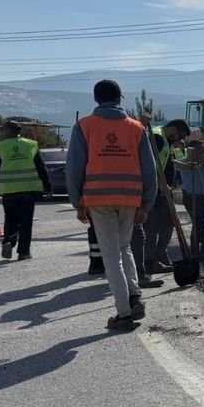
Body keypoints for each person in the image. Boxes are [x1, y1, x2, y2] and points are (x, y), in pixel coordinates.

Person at [66, 79, 157, 331]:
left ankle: (124, 313)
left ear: (96, 99)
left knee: (110, 254)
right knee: (125, 247)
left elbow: (74, 167)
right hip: (130, 198)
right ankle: (135, 296)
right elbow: (150, 172)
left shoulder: (85, 126)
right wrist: (146, 205)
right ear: (120, 99)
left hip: (98, 198)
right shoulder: (136, 128)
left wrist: (78, 202)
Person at [0, 119, 51, 261]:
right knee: (26, 221)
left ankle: (8, 242)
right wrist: (47, 186)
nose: (2, 133)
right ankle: (23, 252)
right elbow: (41, 167)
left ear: (7, 131)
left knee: (10, 218)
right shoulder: (31, 145)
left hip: (9, 190)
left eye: (3, 130)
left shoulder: (0, 147)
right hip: (28, 190)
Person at [142, 116, 188, 273]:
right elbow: (150, 164)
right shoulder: (157, 138)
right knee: (152, 226)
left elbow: (168, 162)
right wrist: (161, 184)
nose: (179, 140)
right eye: (179, 136)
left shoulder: (166, 141)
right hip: (154, 191)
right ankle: (148, 260)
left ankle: (160, 253)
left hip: (165, 191)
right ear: (173, 129)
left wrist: (186, 167)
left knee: (168, 223)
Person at [175, 132, 204, 262]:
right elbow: (175, 164)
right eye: (199, 150)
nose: (201, 152)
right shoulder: (184, 162)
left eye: (202, 150)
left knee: (198, 224)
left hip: (203, 196)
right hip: (191, 196)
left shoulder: (203, 163)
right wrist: (191, 164)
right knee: (199, 223)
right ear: (191, 150)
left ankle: (195, 250)